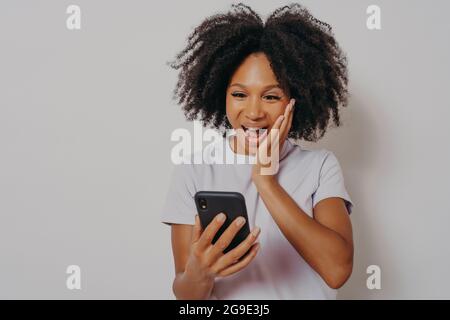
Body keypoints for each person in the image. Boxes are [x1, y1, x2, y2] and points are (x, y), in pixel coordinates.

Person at [161, 3, 354, 300]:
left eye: (271, 96)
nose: (253, 112)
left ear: (295, 100)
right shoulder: (195, 170)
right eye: (239, 94)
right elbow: (187, 296)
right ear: (220, 95)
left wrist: (266, 181)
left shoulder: (320, 166)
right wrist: (199, 272)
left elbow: (337, 270)